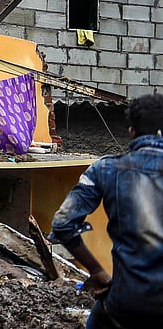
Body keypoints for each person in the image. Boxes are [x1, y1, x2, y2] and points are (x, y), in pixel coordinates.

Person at [49, 93, 163, 329]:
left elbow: (62, 222)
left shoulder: (105, 169)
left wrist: (98, 271)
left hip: (127, 302)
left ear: (131, 131)